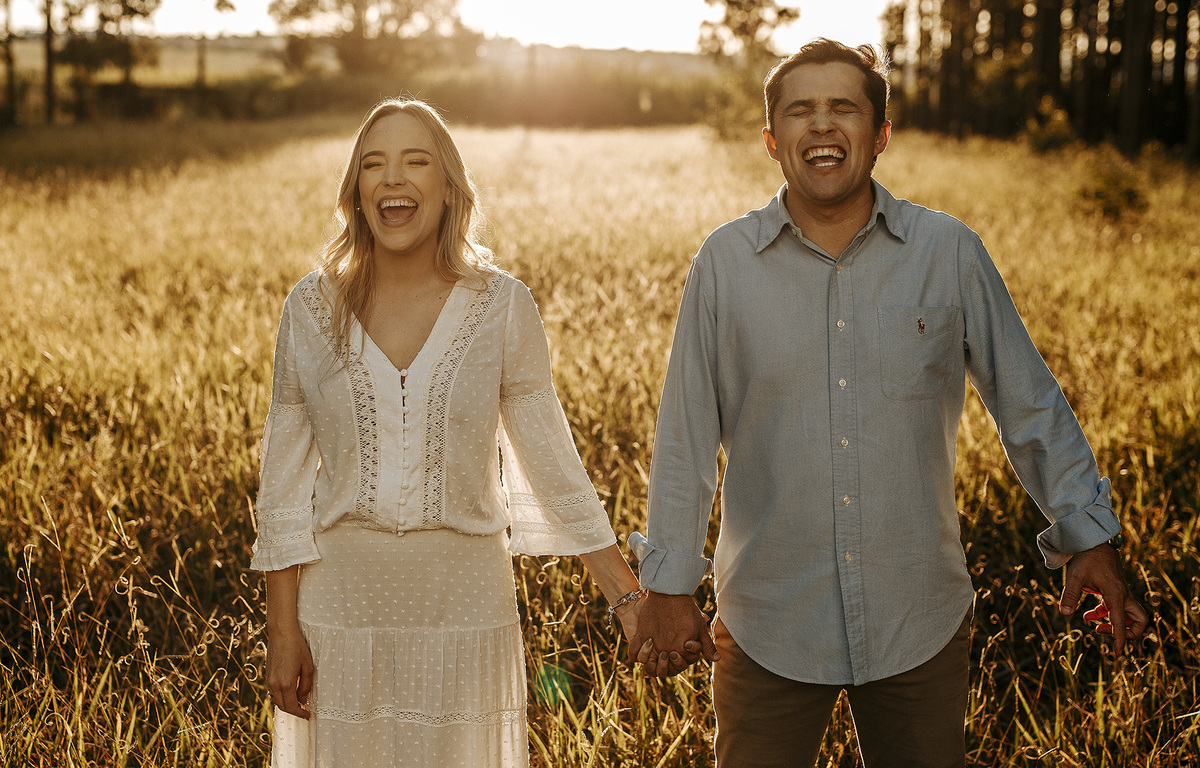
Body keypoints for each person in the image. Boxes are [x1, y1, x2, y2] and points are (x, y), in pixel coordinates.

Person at [628, 39, 1149, 767]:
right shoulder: (724, 265)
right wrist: (669, 584)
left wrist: (1087, 537)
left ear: (880, 135)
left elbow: (1027, 402)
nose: (822, 125)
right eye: (801, 110)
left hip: (918, 620)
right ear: (773, 141)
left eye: (844, 107)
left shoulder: (949, 252)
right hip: (766, 621)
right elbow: (684, 436)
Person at [250, 97, 648, 767]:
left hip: (465, 606)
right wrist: (281, 629)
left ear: (447, 186)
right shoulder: (310, 308)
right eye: (373, 164)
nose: (392, 179)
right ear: (357, 192)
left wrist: (629, 599)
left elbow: (553, 465)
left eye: (415, 161)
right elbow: (283, 484)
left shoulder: (502, 305)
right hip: (341, 609)